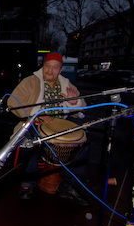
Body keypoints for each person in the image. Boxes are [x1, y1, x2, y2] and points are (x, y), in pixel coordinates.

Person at [7, 52, 90, 206]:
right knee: (30, 141)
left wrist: (74, 103)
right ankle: (27, 183)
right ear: (42, 66)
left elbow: (82, 109)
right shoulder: (31, 81)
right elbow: (12, 102)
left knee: (83, 141)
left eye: (55, 68)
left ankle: (69, 186)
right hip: (34, 123)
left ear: (60, 70)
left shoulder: (66, 84)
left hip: (58, 126)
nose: (50, 71)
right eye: (47, 66)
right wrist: (36, 115)